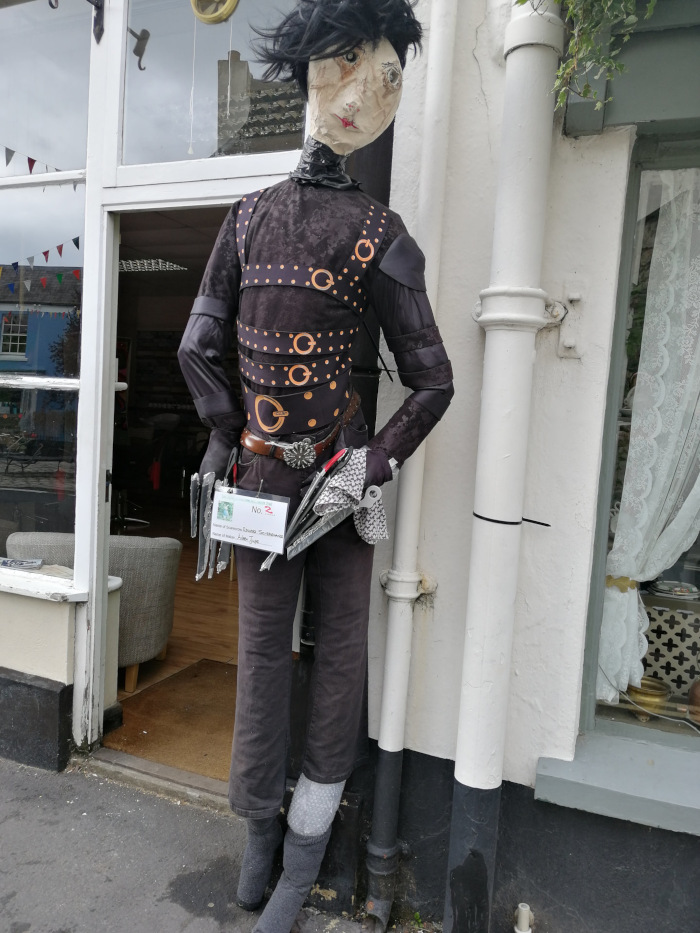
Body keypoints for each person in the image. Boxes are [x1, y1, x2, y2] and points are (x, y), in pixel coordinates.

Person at [178, 1, 453, 930]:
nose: (361, 93)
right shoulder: (250, 217)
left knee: (337, 663)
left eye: (385, 79)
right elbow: (198, 344)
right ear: (308, 71)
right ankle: (263, 835)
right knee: (262, 663)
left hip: (337, 495)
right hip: (259, 486)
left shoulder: (379, 231)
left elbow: (432, 379)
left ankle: (298, 858)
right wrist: (222, 439)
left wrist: (368, 466)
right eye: (347, 67)